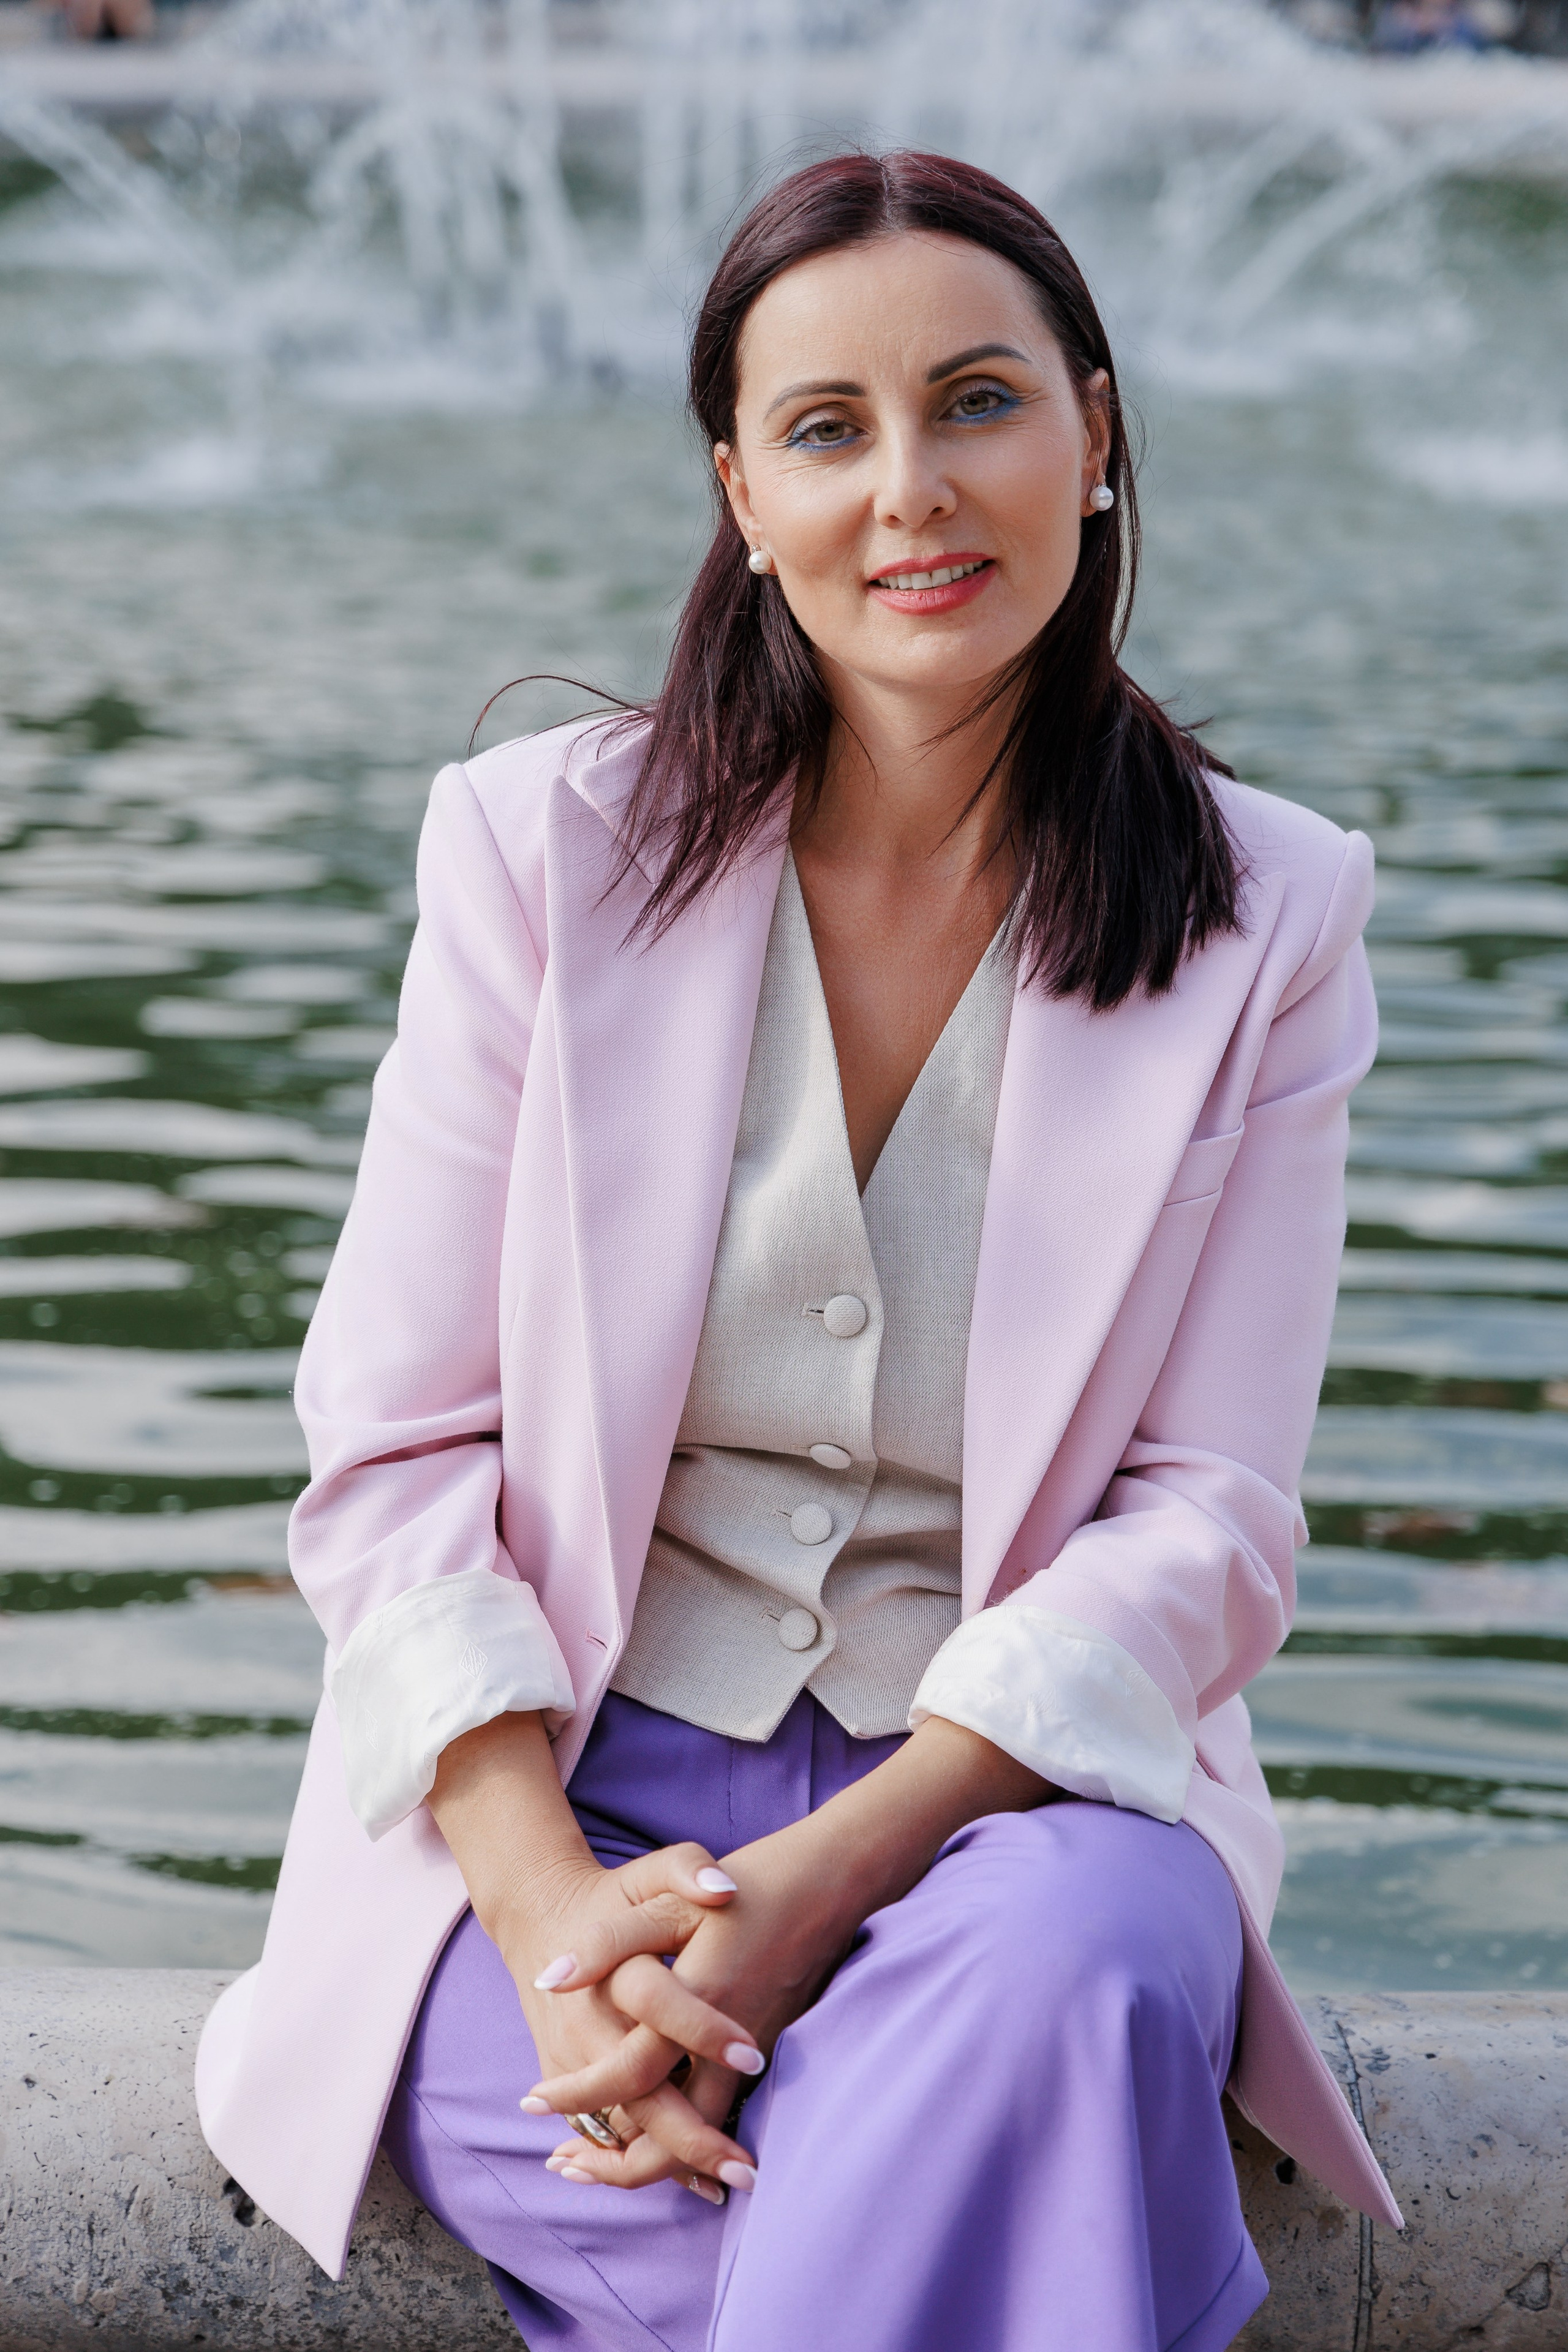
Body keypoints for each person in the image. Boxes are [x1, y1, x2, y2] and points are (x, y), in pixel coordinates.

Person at [195, 149, 1400, 2351]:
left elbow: (1213, 1518)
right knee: (1005, 2197)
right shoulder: (539, 853)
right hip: (562, 1795)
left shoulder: (1272, 915)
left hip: (1025, 1800)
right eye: (830, 430)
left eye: (979, 402)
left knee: (1062, 1996)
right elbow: (392, 1453)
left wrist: (835, 1877)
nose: (912, 489)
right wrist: (557, 1921)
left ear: (1097, 436)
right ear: (743, 496)